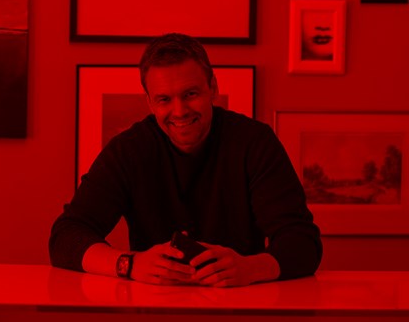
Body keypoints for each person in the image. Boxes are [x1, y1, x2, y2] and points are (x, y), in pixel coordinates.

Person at [49, 33, 322, 287]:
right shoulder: (128, 150)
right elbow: (66, 235)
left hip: (240, 301)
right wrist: (129, 264)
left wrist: (250, 268)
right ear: (149, 102)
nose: (179, 111)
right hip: (154, 305)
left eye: (190, 94)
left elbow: (302, 241)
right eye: (164, 99)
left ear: (212, 87)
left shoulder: (255, 142)